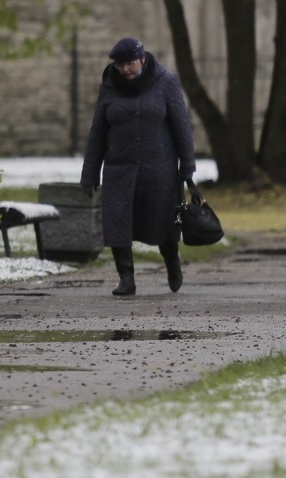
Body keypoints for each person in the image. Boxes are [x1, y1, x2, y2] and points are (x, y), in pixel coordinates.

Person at [80, 37, 196, 296]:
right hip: (118, 171)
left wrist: (187, 165)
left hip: (160, 171)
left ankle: (172, 260)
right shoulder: (109, 86)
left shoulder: (166, 82)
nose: (125, 70)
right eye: (120, 65)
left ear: (142, 59)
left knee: (166, 222)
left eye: (130, 63)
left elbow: (182, 127)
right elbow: (97, 131)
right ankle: (126, 278)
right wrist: (89, 173)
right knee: (117, 224)